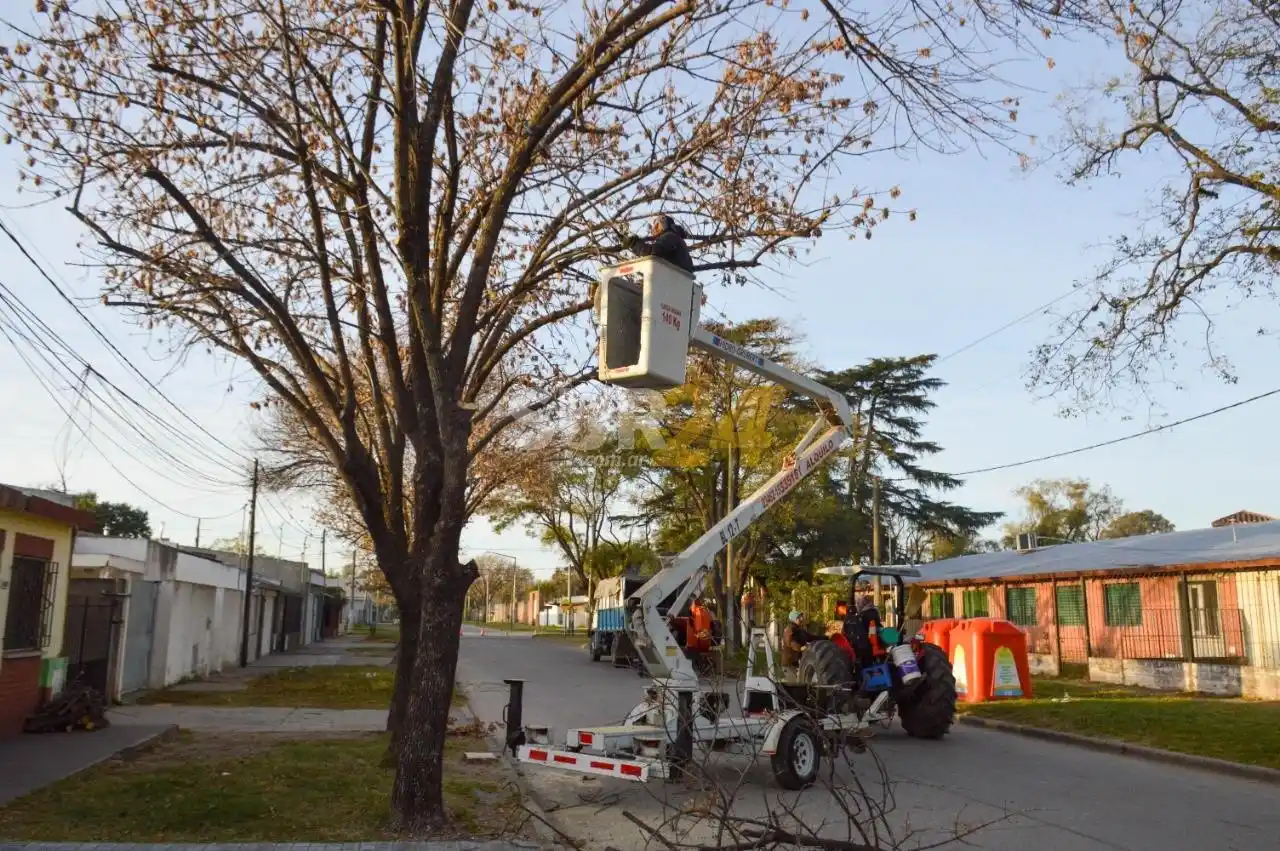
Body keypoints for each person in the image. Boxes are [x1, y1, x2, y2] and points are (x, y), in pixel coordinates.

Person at [624, 214, 695, 274]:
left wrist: (634, 244)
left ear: (664, 225)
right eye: (654, 228)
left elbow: (652, 251)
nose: (655, 230)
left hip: (672, 279)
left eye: (657, 226)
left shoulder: (670, 236)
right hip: (676, 280)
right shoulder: (678, 240)